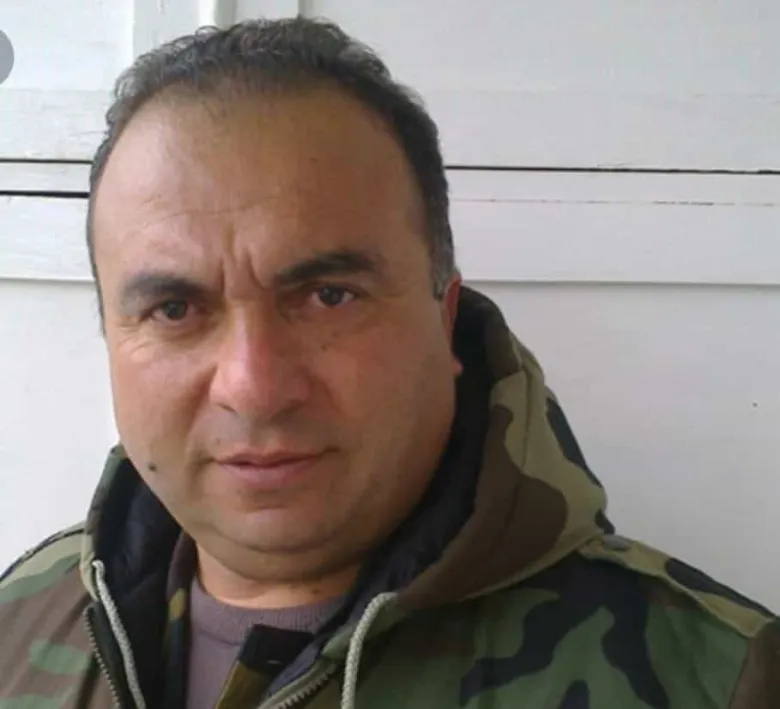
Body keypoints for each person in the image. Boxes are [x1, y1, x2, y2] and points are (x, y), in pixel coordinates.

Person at [0, 16, 777, 709]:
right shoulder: (16, 625)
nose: (254, 387)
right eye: (174, 309)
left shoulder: (722, 679)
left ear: (445, 318)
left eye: (328, 295)